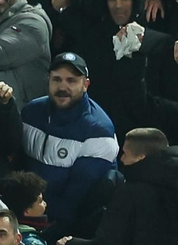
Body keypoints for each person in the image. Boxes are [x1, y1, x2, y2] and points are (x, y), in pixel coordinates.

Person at [21, 52, 117, 233]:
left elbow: (77, 197)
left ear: (85, 85)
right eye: (57, 79)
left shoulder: (98, 130)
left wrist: (45, 230)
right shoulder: (31, 112)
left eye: (71, 81)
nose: (62, 87)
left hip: (72, 225)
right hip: (29, 215)